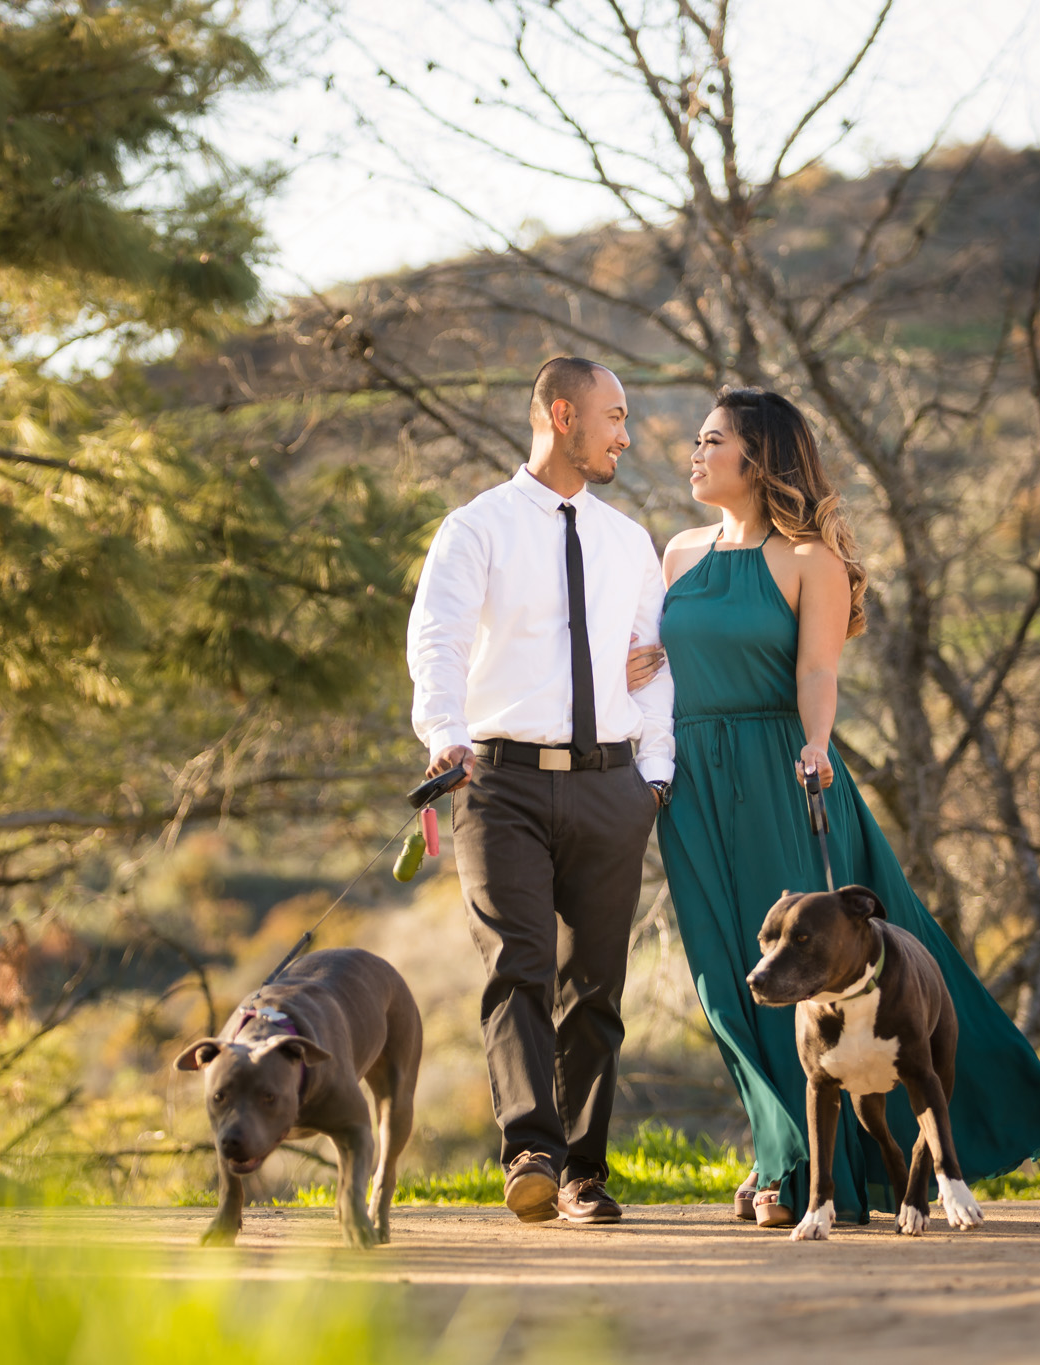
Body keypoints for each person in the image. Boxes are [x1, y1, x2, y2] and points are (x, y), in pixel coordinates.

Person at [627, 387, 1040, 1228]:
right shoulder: (679, 552)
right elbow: (668, 660)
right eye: (696, 441)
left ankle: (790, 1170)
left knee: (803, 974)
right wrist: (642, 671)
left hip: (781, 770)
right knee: (725, 985)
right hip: (691, 783)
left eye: (712, 440)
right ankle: (778, 1151)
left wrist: (815, 743)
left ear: (759, 457)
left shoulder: (811, 558)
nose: (694, 455)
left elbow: (816, 671)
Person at [406, 356, 675, 1226]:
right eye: (614, 416)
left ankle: (583, 1174)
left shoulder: (629, 541)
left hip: (610, 786)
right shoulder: (476, 528)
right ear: (563, 415)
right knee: (515, 968)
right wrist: (444, 734)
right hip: (500, 784)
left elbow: (652, 665)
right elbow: (437, 638)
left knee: (595, 985)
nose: (625, 435)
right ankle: (531, 1149)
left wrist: (655, 776)